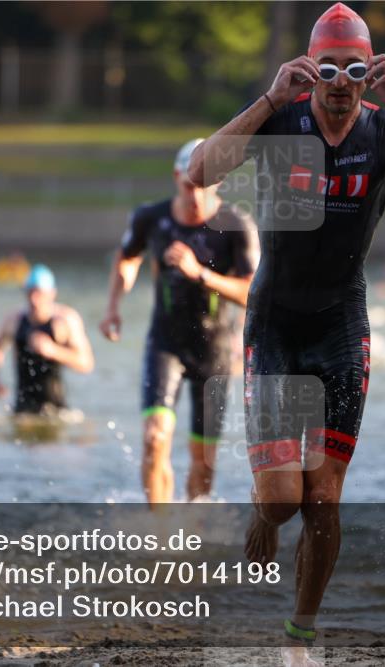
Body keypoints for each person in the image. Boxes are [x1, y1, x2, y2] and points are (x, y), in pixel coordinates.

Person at [187, 3, 385, 664]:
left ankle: (301, 632)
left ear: (370, 74)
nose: (341, 82)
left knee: (325, 497)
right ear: (313, 71)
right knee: (284, 501)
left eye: (355, 70)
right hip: (275, 321)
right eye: (330, 69)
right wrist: (267, 98)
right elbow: (200, 170)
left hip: (342, 320)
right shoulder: (282, 118)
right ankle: (262, 513)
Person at [100, 139, 258, 505]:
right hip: (166, 343)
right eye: (189, 186)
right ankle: (160, 535)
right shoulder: (150, 218)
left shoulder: (236, 225)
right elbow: (126, 259)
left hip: (214, 351)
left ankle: (193, 527)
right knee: (155, 438)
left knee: (203, 462)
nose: (196, 197)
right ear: (176, 178)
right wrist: (113, 307)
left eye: (204, 187)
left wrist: (199, 273)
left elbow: (253, 293)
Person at [0, 264, 95, 417]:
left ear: (52, 294)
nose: (33, 300)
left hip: (56, 412)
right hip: (21, 410)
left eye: (39, 294)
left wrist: (53, 350)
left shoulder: (65, 320)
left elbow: (86, 363)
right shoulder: (14, 320)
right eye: (29, 293)